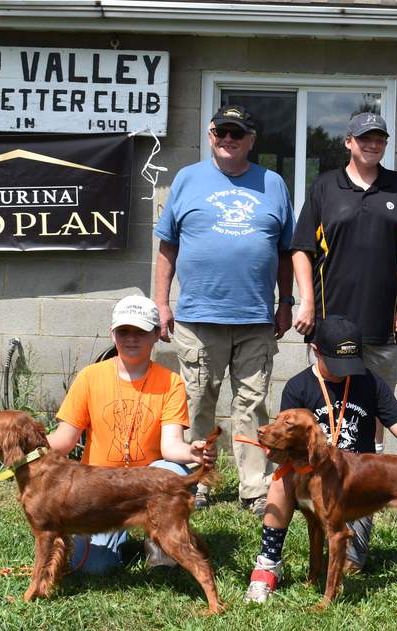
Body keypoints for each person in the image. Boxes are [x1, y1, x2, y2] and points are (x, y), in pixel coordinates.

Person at [245, 315, 397, 603]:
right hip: (310, 475)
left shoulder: (367, 380)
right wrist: (271, 448)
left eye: (350, 363)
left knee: (351, 565)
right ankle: (267, 562)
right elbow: (284, 441)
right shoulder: (298, 387)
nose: (345, 372)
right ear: (316, 350)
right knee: (281, 481)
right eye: (337, 364)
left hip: (354, 485)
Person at [153, 104, 294, 515]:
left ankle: (253, 488)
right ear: (211, 135)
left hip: (255, 319)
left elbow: (286, 252)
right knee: (199, 403)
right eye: (221, 133)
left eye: (237, 134)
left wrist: (285, 303)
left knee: (253, 406)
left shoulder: (273, 184)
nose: (228, 140)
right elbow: (167, 247)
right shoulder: (187, 179)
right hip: (198, 319)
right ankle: (199, 481)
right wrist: (161, 303)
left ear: (251, 140)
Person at [46, 295, 217, 575]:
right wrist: (24, 445)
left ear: (156, 335)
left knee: (171, 468)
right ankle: (134, 538)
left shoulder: (170, 382)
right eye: (124, 331)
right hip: (99, 489)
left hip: (146, 484)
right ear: (113, 334)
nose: (131, 339)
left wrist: (192, 453)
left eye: (140, 332)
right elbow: (64, 441)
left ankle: (162, 551)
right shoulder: (90, 377)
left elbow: (171, 446)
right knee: (93, 569)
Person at [291, 111, 397, 453]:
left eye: (379, 139)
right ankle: (324, 470)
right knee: (329, 402)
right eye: (365, 138)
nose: (372, 144)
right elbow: (301, 249)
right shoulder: (325, 186)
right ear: (349, 142)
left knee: (378, 404)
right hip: (330, 323)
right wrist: (306, 301)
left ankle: (372, 470)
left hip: (384, 323)